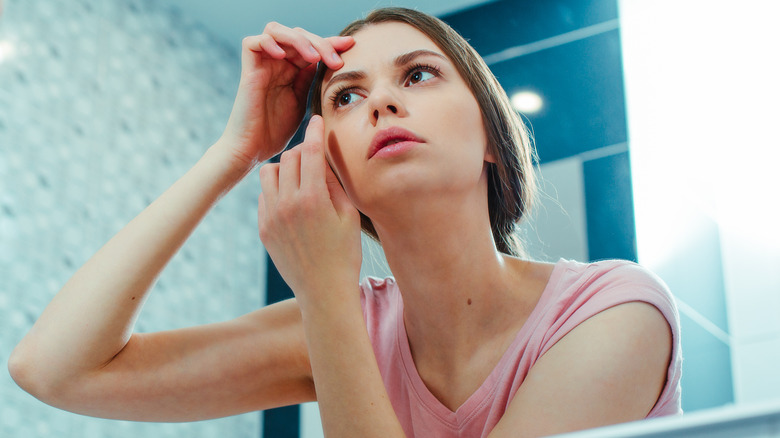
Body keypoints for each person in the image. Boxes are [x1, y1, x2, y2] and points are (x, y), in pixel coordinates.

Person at [9, 7, 681, 438]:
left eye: (417, 76)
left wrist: (325, 295)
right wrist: (233, 152)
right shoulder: (345, 325)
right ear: (334, 163)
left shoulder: (615, 313)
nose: (382, 101)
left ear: (489, 134)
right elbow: (55, 369)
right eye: (347, 95)